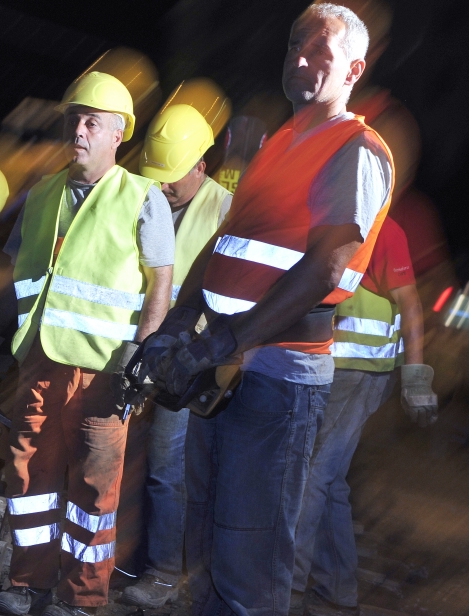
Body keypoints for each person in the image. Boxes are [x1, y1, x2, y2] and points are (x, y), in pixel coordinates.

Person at [142, 4, 395, 614]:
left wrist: (223, 341)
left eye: (321, 52)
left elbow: (327, 269)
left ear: (353, 69)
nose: (300, 57)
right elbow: (225, 240)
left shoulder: (356, 148)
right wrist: (180, 322)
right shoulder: (282, 142)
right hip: (226, 371)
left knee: (250, 554)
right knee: (208, 540)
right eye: (293, 45)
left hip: (278, 379)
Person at [0, 70, 174, 616]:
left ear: (119, 134)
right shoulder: (43, 194)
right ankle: (28, 583)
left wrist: (144, 355)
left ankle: (82, 598)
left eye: (93, 121)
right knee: (29, 473)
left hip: (105, 372)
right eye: (74, 118)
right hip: (41, 360)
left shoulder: (142, 198)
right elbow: (17, 278)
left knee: (95, 491)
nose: (80, 129)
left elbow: (159, 281)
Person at [290, 215, 437, 615]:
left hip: (359, 370)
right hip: (334, 368)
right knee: (329, 479)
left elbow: (410, 303)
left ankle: (288, 590)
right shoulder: (335, 223)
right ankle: (336, 595)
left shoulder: (383, 230)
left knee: (311, 477)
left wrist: (416, 377)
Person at [117, 101, 232, 608]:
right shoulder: (140, 195)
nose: (162, 186)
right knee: (123, 461)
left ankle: (164, 572)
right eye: (155, 175)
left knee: (167, 470)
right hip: (136, 353)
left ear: (200, 168)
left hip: (185, 366)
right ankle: (123, 558)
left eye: (172, 177)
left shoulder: (226, 210)